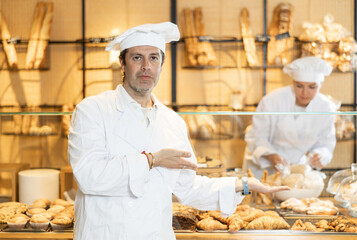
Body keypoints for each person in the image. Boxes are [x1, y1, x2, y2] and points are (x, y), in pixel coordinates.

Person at [68, 22, 289, 240]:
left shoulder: (172, 121)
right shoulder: (92, 110)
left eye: (153, 57)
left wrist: (243, 185)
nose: (146, 66)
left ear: (161, 65)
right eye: (137, 57)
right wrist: (151, 160)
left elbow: (188, 187)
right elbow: (89, 176)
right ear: (122, 64)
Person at [244, 56, 338, 179]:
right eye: (299, 86)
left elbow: (326, 144)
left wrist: (320, 156)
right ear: (293, 83)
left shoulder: (326, 107)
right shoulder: (272, 101)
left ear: (320, 85)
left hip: (296, 170)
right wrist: (272, 156)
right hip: (262, 169)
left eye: (312, 87)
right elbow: (257, 137)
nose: (305, 93)